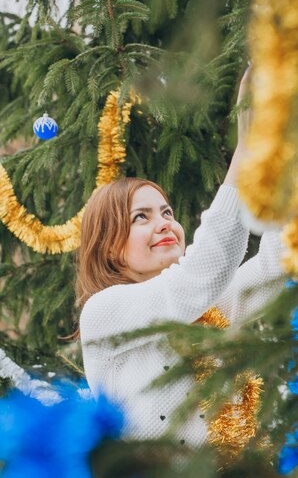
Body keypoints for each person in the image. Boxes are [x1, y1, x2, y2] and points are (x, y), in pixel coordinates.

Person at [77, 70, 286, 447]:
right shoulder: (103, 313)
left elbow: (280, 265)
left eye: (167, 212)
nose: (163, 224)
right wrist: (246, 151)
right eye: (141, 217)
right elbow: (202, 275)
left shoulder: (211, 311)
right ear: (108, 246)